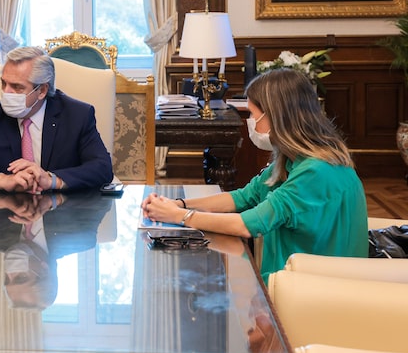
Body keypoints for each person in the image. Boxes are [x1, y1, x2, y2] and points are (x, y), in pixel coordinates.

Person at [142, 68, 368, 284]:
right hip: (298, 279)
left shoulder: (316, 172)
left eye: (252, 114)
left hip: (313, 289)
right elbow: (244, 197)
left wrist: (181, 216)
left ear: (277, 116)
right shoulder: (294, 160)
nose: (249, 122)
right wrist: (178, 204)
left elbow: (248, 225)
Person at [0, 46, 113, 193]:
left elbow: (102, 168)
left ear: (42, 90)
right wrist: (2, 180)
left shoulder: (77, 115)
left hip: (60, 216)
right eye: (4, 84)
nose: (7, 92)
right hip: (3, 215)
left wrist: (51, 180)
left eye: (17, 87)